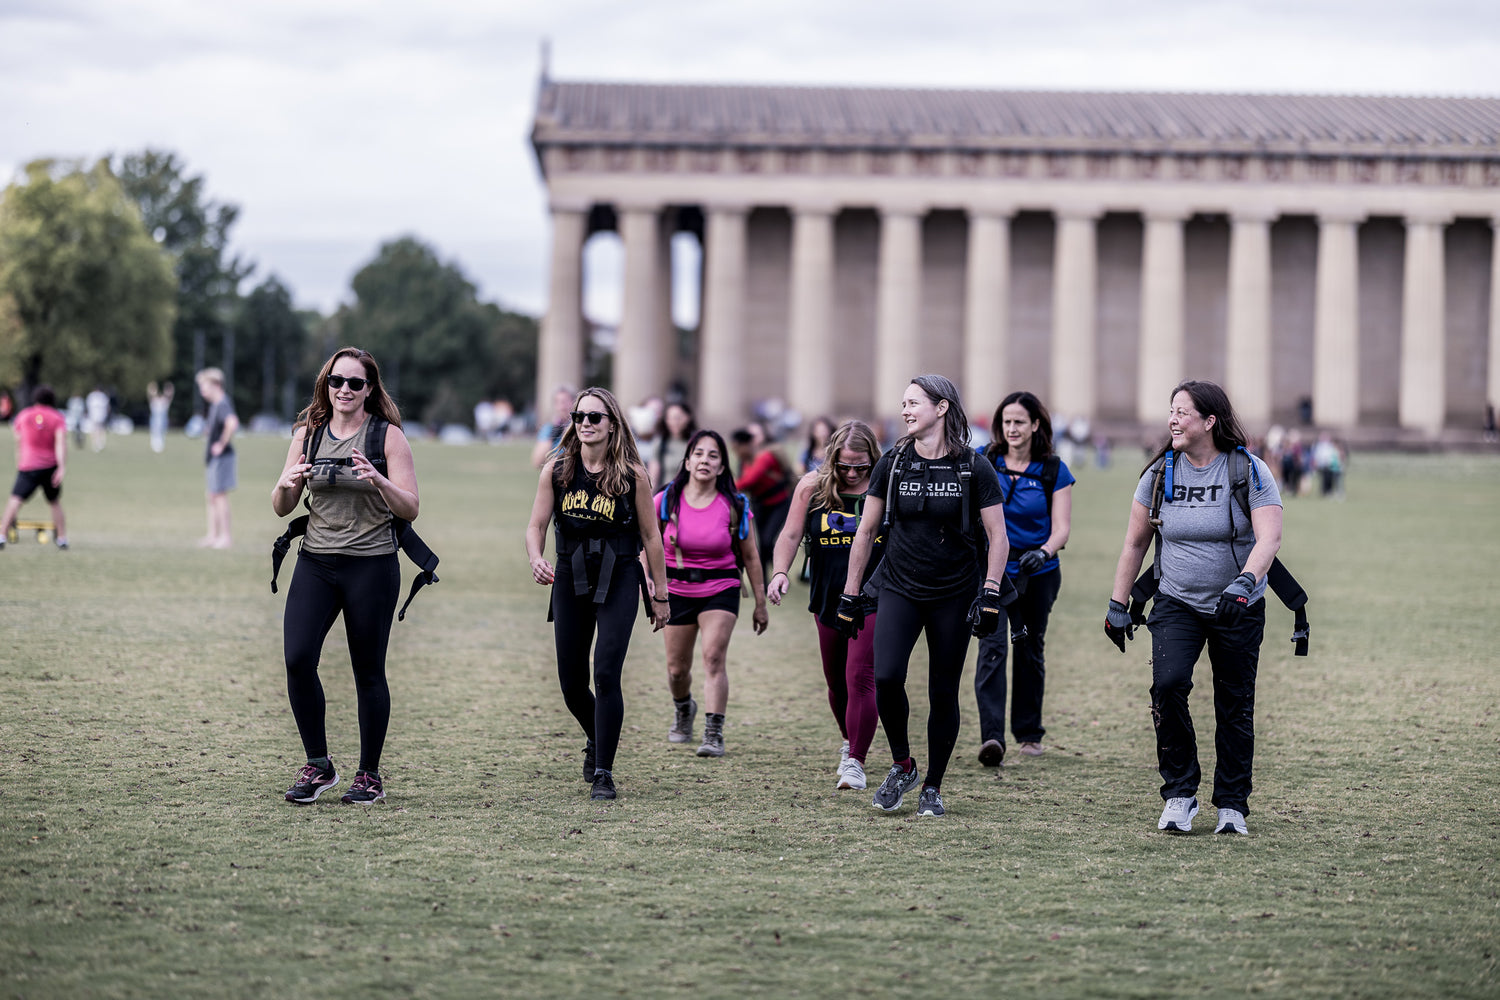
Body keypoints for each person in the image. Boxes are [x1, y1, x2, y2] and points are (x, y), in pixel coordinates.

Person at [1106, 380, 1282, 836]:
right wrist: (1117, 603)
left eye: (1183, 413)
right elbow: (1135, 543)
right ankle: (1180, 794)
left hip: (1237, 606)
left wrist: (1244, 581)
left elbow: (1269, 539)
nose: (1173, 420)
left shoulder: (1249, 471)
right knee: (1167, 685)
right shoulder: (1159, 474)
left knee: (1235, 704)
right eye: (1171, 411)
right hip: (1175, 601)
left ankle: (1232, 805)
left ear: (1210, 421)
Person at [842, 375, 1009, 818]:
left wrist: (990, 593)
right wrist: (850, 593)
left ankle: (933, 784)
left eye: (913, 402)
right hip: (899, 585)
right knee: (887, 677)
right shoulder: (893, 461)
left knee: (943, 691)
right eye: (903, 403)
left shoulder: (974, 466)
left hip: (953, 593)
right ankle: (903, 764)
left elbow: (998, 535)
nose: (905, 410)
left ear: (941, 408)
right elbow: (866, 530)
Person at [272, 347, 421, 805]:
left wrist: (378, 478)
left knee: (368, 673)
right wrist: (287, 483)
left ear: (369, 389)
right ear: (326, 383)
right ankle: (318, 765)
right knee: (297, 659)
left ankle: (369, 775)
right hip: (316, 561)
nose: (344, 390)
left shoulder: (387, 436)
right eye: (337, 381)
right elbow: (282, 506)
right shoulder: (308, 434)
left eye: (355, 383)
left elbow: (410, 507)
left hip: (371, 565)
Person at [525, 387, 671, 801]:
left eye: (595, 417)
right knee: (572, 682)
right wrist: (536, 557)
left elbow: (651, 537)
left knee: (606, 673)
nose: (585, 423)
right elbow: (536, 526)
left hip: (620, 575)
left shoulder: (632, 475)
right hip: (570, 576)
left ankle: (604, 770)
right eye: (579, 416)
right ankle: (596, 735)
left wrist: (660, 594)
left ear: (613, 424)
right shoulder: (556, 470)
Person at [767, 420, 884, 790]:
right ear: (833, 459)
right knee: (836, 682)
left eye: (860, 467)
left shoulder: (885, 488)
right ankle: (850, 739)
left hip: (874, 595)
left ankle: (856, 762)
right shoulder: (812, 487)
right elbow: (790, 533)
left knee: (860, 676)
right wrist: (780, 572)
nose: (851, 473)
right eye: (845, 466)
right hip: (827, 593)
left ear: (873, 461)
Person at [973, 391, 1074, 766]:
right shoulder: (986, 459)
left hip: (1038, 572)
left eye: (1019, 422)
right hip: (994, 571)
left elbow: (1061, 528)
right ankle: (992, 737)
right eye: (1006, 422)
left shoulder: (1052, 469)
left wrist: (1044, 551)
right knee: (992, 648)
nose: (1012, 428)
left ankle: (1029, 733)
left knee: (1030, 649)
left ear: (1035, 425)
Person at [656, 429, 769, 757]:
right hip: (676, 589)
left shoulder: (734, 505)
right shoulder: (665, 500)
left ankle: (713, 731)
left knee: (713, 658)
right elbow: (646, 544)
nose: (705, 460)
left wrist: (760, 603)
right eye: (699, 453)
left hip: (721, 587)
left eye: (713, 455)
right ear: (687, 460)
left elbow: (750, 556)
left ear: (722, 467)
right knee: (677, 669)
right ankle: (683, 708)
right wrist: (649, 583)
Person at [1, 385, 69, 551]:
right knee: (54, 502)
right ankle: (62, 538)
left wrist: (20, 460)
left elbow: (19, 440)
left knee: (15, 500)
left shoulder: (24, 415)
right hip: (49, 466)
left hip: (28, 465)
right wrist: (61, 467)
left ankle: (2, 535)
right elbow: (60, 443)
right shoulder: (57, 417)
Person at [731, 422, 792, 581]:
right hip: (760, 504)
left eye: (737, 447)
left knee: (766, 541)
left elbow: (749, 480)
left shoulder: (764, 456)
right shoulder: (744, 461)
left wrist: (724, 487)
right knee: (763, 544)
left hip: (779, 503)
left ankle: (778, 572)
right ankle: (765, 582)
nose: (735, 451)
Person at [196, 368, 239, 549]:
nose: (202, 391)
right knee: (212, 495)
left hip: (222, 457)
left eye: (204, 387)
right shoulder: (216, 405)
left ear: (216, 385)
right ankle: (213, 536)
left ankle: (225, 537)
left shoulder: (222, 404)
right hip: (214, 459)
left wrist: (221, 443)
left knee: (219, 495)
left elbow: (232, 423)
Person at [648, 400, 696, 488]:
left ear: (688, 417)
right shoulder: (661, 442)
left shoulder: (696, 442)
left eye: (677, 418)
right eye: (670, 418)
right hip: (667, 494)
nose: (674, 422)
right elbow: (653, 478)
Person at [531, 384, 577, 468]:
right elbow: (537, 462)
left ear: (574, 402)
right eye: (557, 402)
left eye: (565, 401)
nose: (562, 407)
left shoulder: (581, 427)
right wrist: (554, 435)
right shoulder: (548, 429)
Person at [147, 381, 174, 454]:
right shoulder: (154, 400)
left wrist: (170, 389)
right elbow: (149, 394)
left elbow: (170, 395)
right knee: (155, 433)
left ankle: (160, 446)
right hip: (155, 420)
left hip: (163, 420)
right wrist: (151, 388)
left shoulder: (165, 400)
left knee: (162, 433)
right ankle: (154, 445)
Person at [85, 385, 110, 452]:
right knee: (95, 430)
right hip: (94, 416)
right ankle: (96, 444)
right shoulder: (92, 396)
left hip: (100, 416)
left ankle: (100, 443)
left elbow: (107, 407)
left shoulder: (102, 396)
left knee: (100, 430)